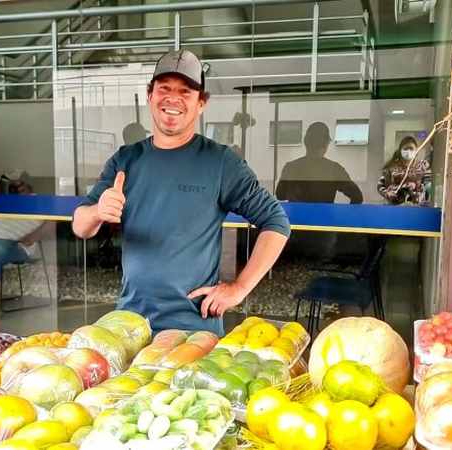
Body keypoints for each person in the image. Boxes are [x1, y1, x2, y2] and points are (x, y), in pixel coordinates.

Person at [72, 49, 290, 335]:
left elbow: (276, 222)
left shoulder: (221, 162)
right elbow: (80, 225)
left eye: (185, 91)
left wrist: (239, 288)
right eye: (164, 89)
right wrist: (98, 212)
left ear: (201, 103)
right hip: (129, 325)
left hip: (193, 329)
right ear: (150, 96)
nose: (172, 98)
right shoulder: (126, 160)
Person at [275, 122, 363, 204]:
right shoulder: (335, 169)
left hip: (296, 220)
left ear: (306, 142)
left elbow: (280, 195)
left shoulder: (290, 167)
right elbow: (357, 197)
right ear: (326, 144)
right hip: (324, 220)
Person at [377, 136, 432, 205]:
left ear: (416, 150)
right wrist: (387, 194)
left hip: (417, 207)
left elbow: (429, 185)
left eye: (411, 149)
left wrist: (423, 195)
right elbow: (380, 185)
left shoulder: (423, 165)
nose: (408, 151)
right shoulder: (391, 167)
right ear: (400, 150)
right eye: (405, 148)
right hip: (395, 206)